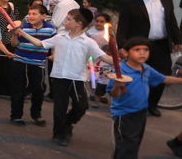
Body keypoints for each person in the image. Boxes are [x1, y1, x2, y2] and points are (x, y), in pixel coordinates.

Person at [14, 8, 112, 145]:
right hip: (59, 77)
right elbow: (39, 43)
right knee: (60, 107)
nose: (65, 21)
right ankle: (59, 134)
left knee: (81, 106)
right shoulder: (59, 37)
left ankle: (68, 123)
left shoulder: (88, 42)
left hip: (77, 79)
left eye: (68, 19)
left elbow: (105, 58)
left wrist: (121, 60)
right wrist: (21, 32)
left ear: (78, 23)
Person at [107, 37, 182, 159]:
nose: (142, 53)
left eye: (145, 50)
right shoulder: (121, 70)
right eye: (137, 50)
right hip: (124, 114)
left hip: (140, 112)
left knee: (131, 143)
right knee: (129, 145)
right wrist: (118, 86)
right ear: (126, 52)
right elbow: (114, 94)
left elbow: (164, 78)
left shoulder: (145, 69)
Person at [116, 0, 182, 116]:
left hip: (161, 44)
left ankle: (152, 104)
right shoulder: (130, 2)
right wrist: (122, 46)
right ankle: (135, 104)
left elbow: (171, 20)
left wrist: (178, 39)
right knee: (136, 76)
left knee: (161, 75)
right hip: (139, 45)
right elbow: (123, 26)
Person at [8, 4, 55, 126]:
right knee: (18, 89)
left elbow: (54, 43)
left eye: (34, 14)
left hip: (38, 64)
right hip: (20, 62)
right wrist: (14, 33)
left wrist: (53, 54)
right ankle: (16, 116)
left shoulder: (50, 28)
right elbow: (14, 44)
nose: (31, 16)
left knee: (39, 90)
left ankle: (36, 115)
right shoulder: (23, 27)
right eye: (29, 14)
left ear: (43, 16)